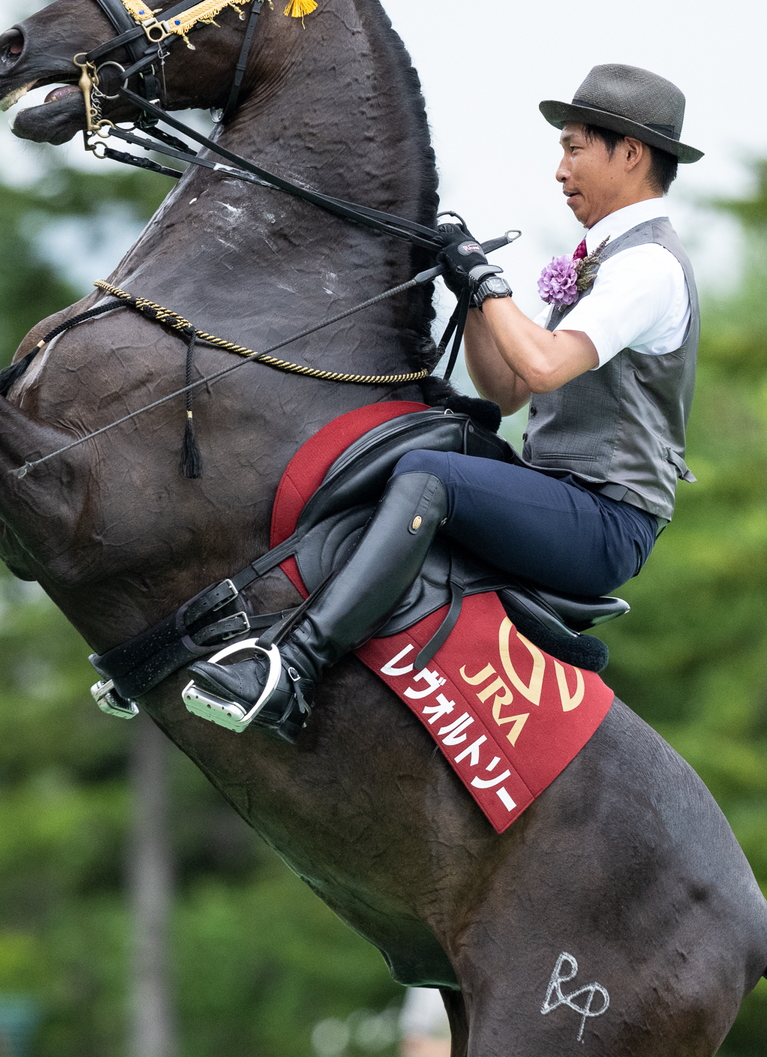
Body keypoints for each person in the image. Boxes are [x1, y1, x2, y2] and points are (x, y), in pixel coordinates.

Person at [183, 62, 701, 742]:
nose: (559, 171)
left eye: (574, 149)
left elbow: (542, 367)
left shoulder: (647, 265)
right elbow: (506, 390)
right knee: (421, 440)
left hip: (606, 521)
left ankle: (296, 669)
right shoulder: (601, 257)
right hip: (562, 494)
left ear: (629, 154)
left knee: (430, 477)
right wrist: (470, 291)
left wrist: (488, 283)